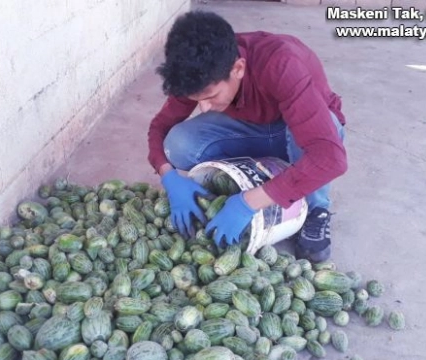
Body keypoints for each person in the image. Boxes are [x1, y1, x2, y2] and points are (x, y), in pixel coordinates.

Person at [146, 10, 348, 263]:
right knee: (178, 144)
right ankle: (259, 175)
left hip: (297, 131)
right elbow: (159, 127)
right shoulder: (196, 73)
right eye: (197, 101)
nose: (205, 108)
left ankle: (316, 210)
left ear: (238, 68)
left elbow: (331, 159)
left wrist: (248, 203)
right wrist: (168, 176)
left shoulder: (281, 63)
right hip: (256, 130)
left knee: (320, 136)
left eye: (211, 97)